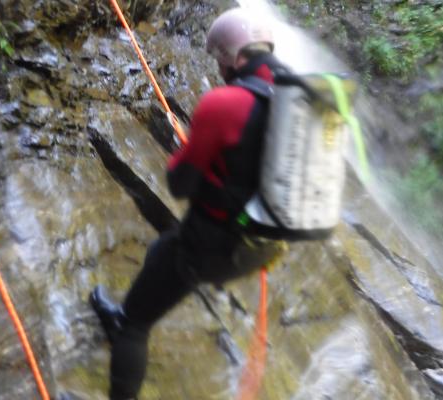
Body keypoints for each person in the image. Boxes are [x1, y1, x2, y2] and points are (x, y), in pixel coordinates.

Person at [89, 8, 290, 400]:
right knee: (162, 250)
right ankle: (134, 303)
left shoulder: (226, 104)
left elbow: (180, 184)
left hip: (217, 245)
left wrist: (195, 153)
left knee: (136, 325)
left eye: (220, 60)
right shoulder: (297, 97)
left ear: (233, 58)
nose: (219, 70)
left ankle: (124, 325)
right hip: (266, 243)